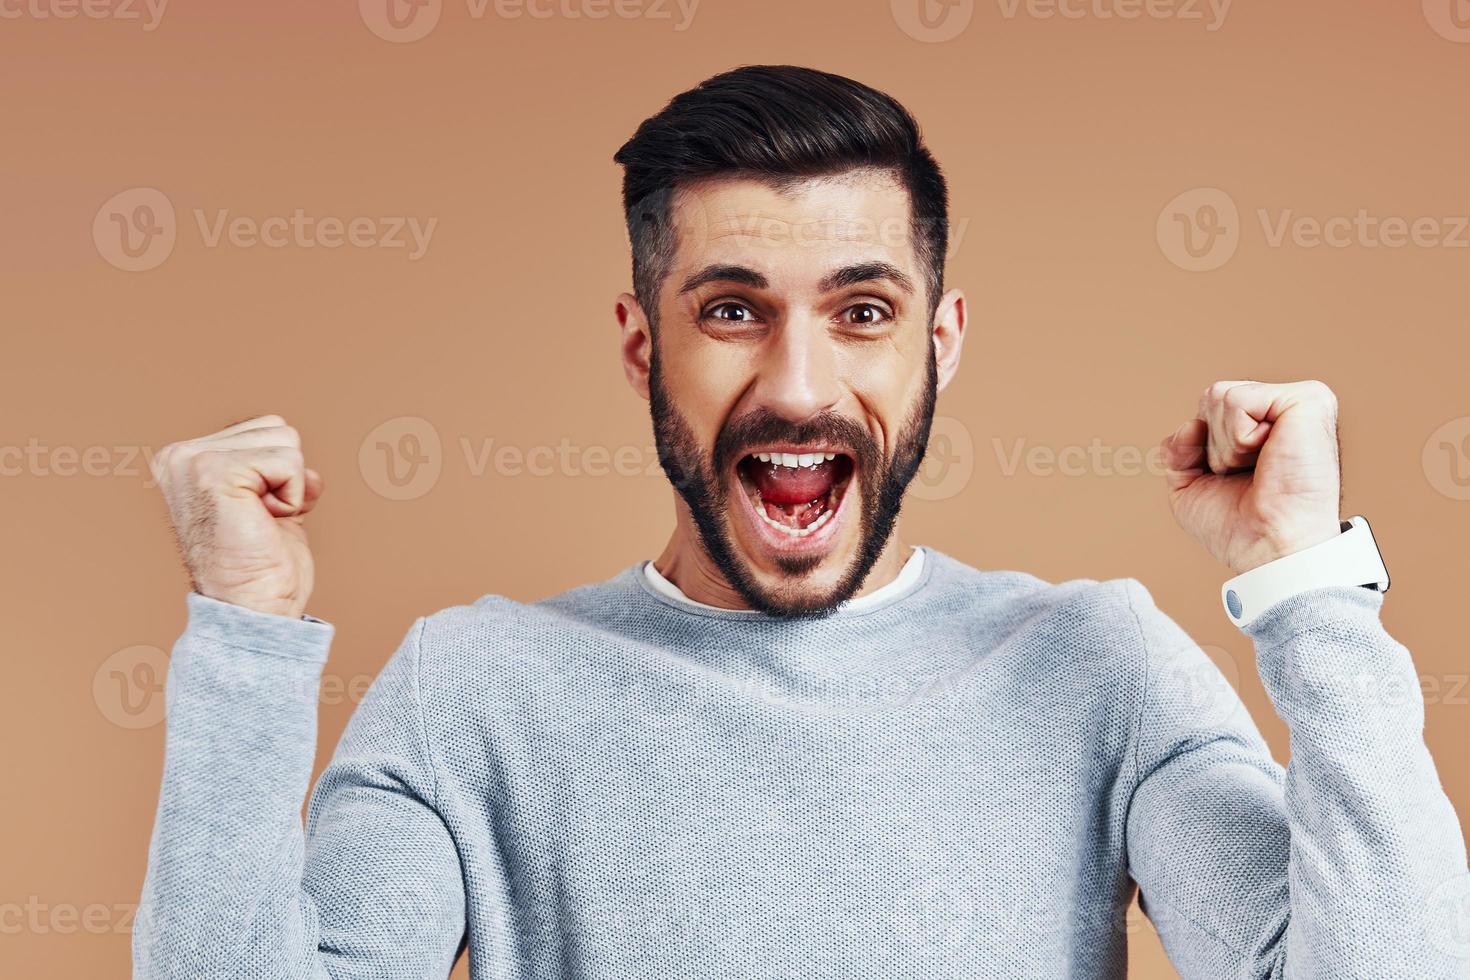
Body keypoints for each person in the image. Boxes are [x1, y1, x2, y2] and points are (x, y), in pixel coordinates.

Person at [133, 65, 1468, 978]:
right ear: (639, 345)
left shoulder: (1098, 668)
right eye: (730, 310)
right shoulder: (468, 691)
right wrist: (244, 638)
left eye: (862, 311)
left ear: (939, 345)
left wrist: (1304, 590)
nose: (797, 383)